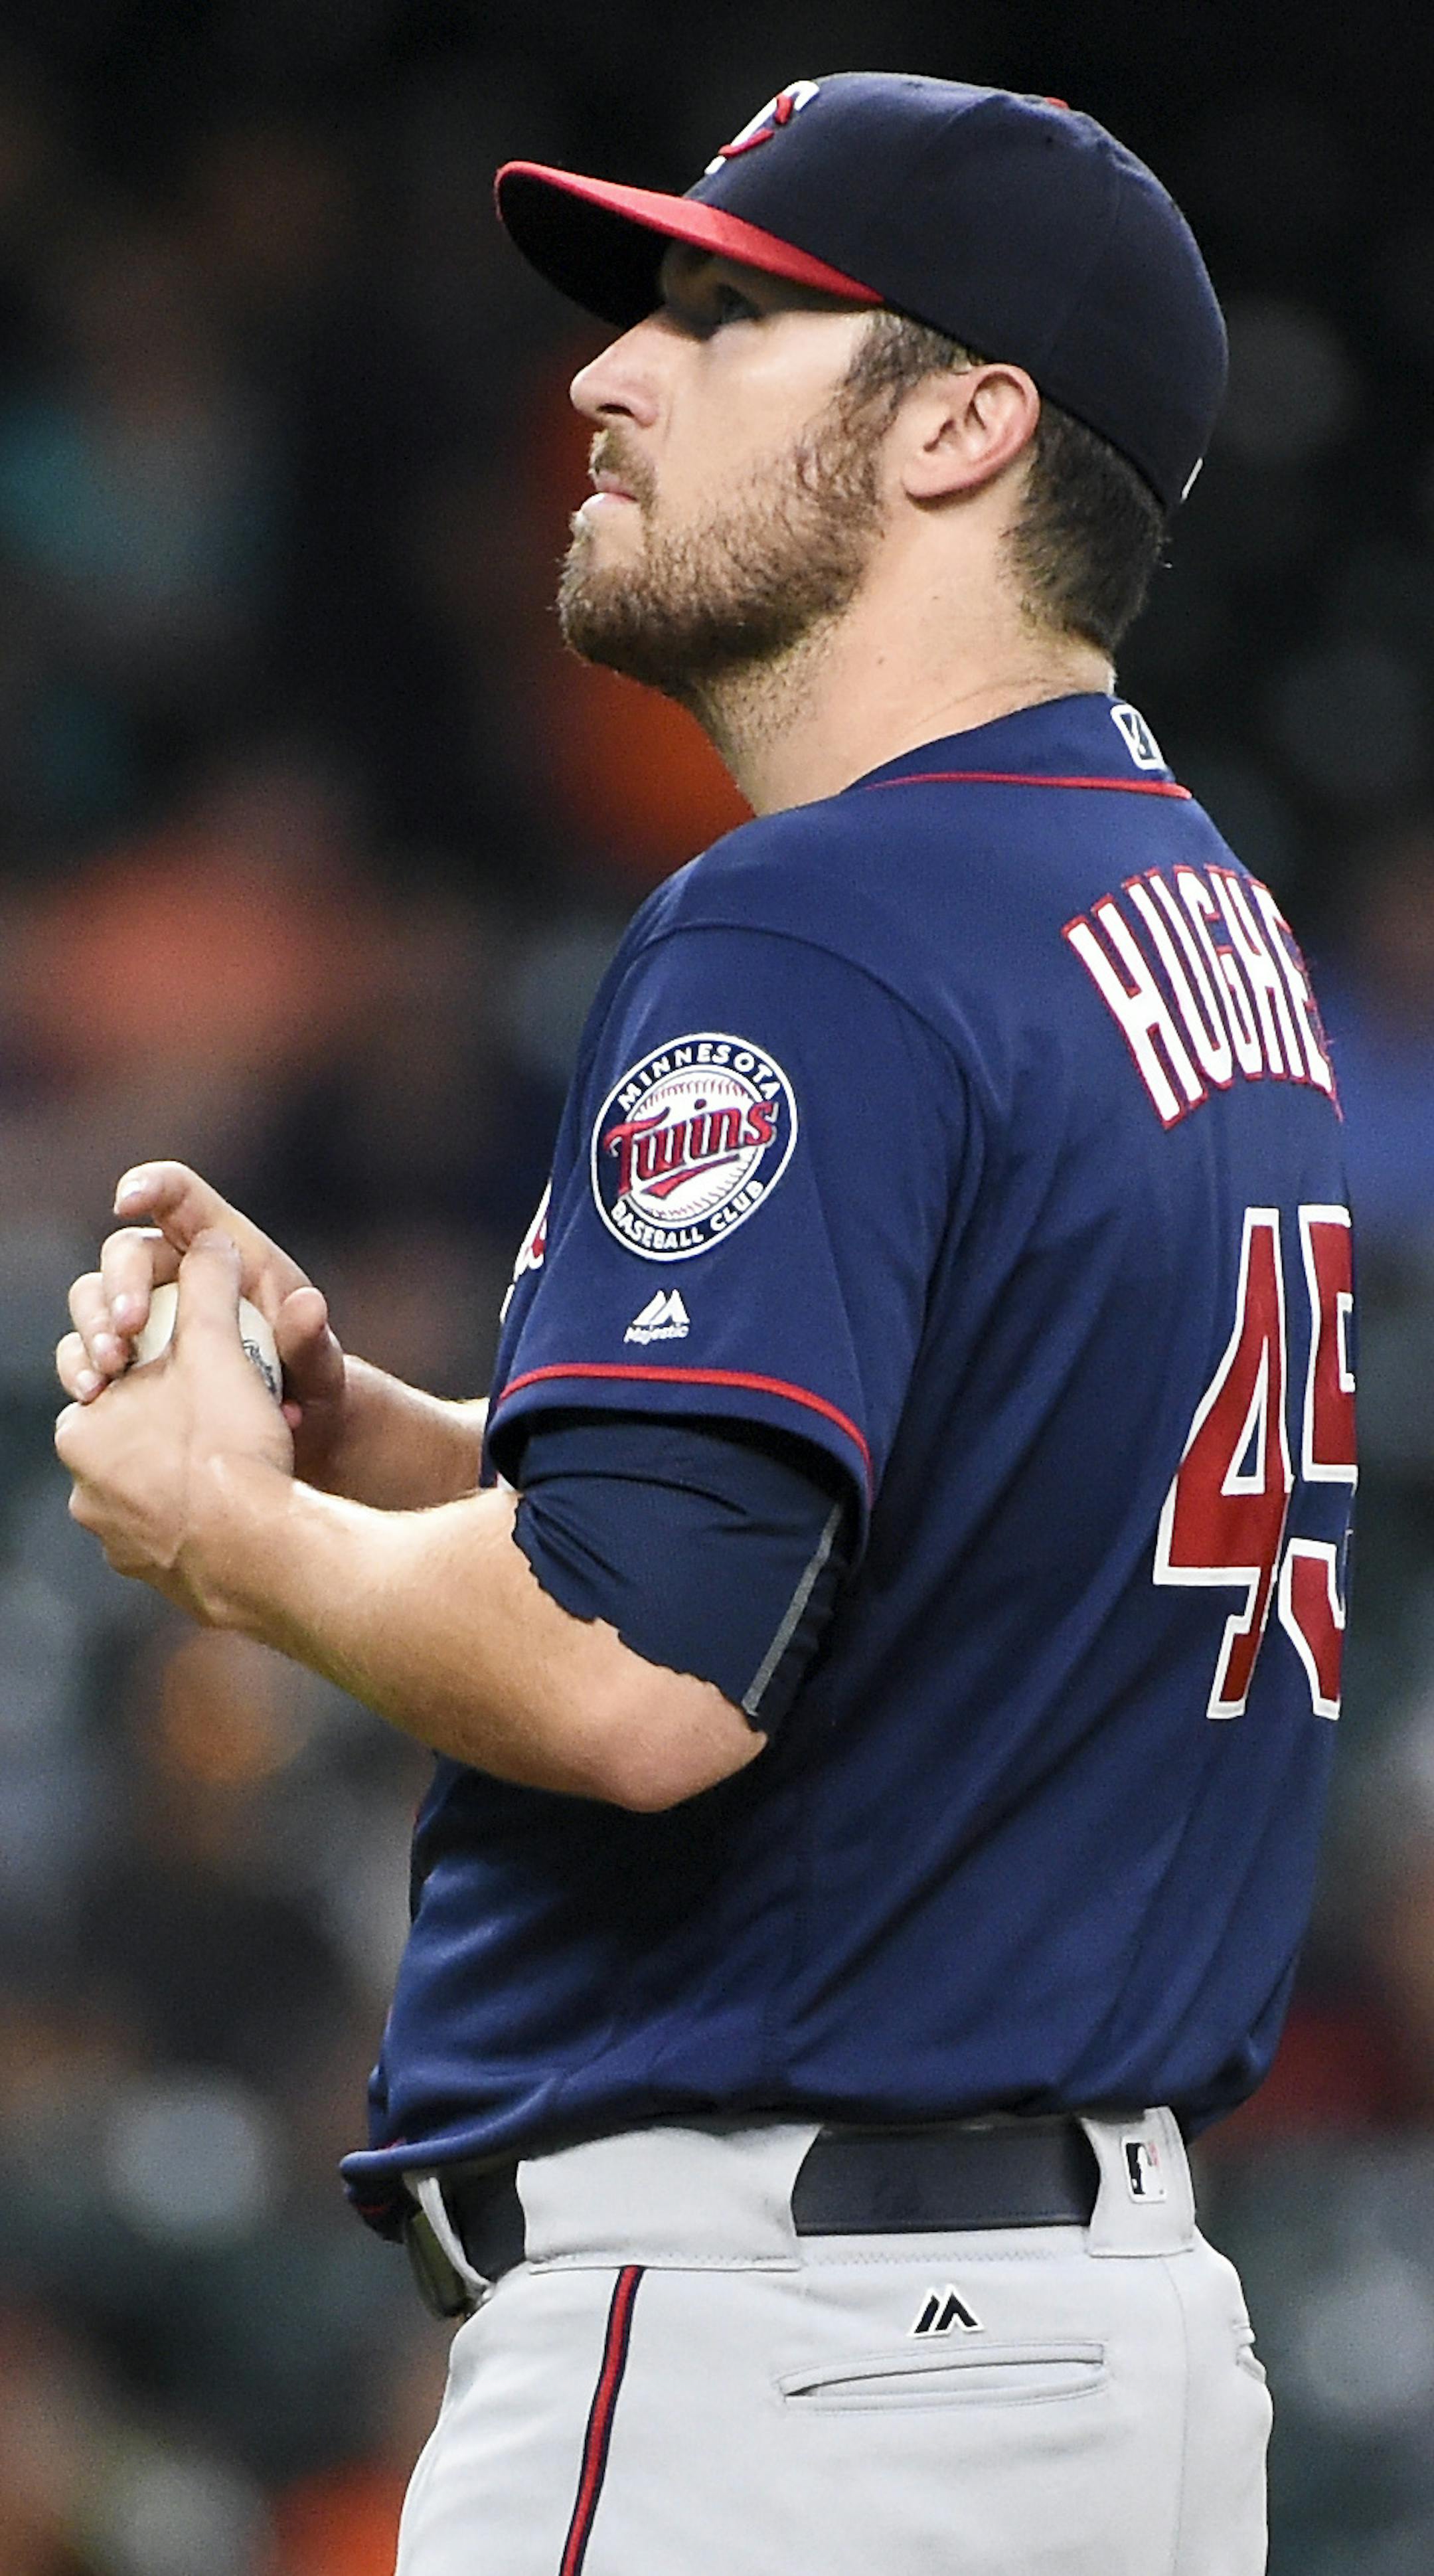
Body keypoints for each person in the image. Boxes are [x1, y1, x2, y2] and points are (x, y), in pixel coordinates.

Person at [55, 74, 1354, 2576]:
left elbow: (641, 1682)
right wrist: (366, 1445)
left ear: (969, 422)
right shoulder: (1186, 909)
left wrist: (230, 1541)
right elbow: (882, 1554)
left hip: (782, 2378)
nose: (609, 376)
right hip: (1105, 2363)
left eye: (734, 313)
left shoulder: (821, 919)